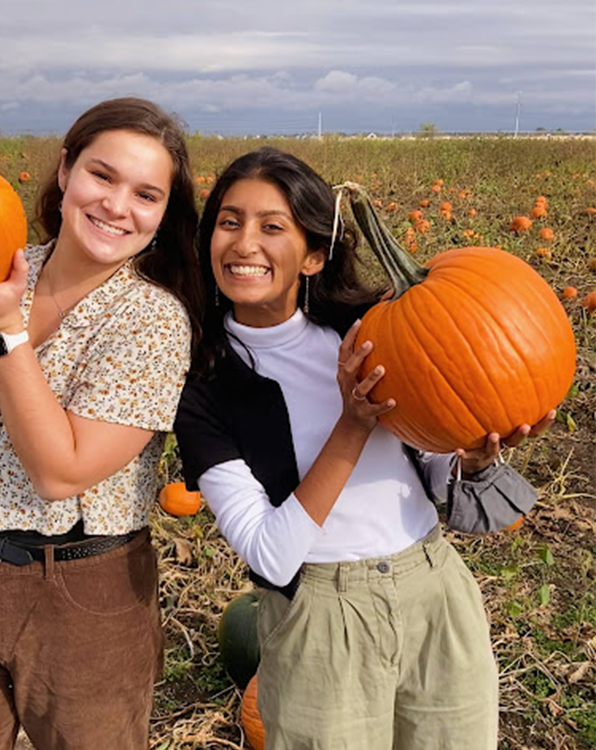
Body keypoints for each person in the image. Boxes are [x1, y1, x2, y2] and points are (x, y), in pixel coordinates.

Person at [173, 147, 553, 749]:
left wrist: (472, 459)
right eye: (229, 221)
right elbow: (272, 556)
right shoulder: (204, 388)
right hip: (320, 620)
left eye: (272, 226)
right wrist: (351, 425)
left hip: (434, 591)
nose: (245, 242)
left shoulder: (377, 337)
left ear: (314, 255)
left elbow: (429, 466)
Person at [0, 97, 204, 750]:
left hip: (84, 592)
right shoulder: (0, 269)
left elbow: (60, 471)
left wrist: (2, 331)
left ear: (163, 214)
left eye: (146, 194)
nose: (118, 205)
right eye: (103, 175)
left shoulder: (152, 322)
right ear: (65, 171)